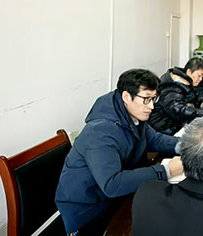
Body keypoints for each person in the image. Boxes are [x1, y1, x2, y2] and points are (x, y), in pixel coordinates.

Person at [55, 69, 183, 236]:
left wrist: (188, 147)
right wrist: (166, 171)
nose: (151, 106)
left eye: (154, 98)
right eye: (146, 99)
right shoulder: (100, 131)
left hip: (113, 199)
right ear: (126, 97)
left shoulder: (132, 115)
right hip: (88, 212)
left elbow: (155, 139)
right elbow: (112, 184)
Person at [149, 57, 203, 134]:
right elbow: (177, 110)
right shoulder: (172, 85)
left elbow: (196, 96)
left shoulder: (187, 81)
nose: (201, 79)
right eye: (199, 75)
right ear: (189, 72)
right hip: (165, 128)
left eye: (202, 77)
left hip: (178, 124)